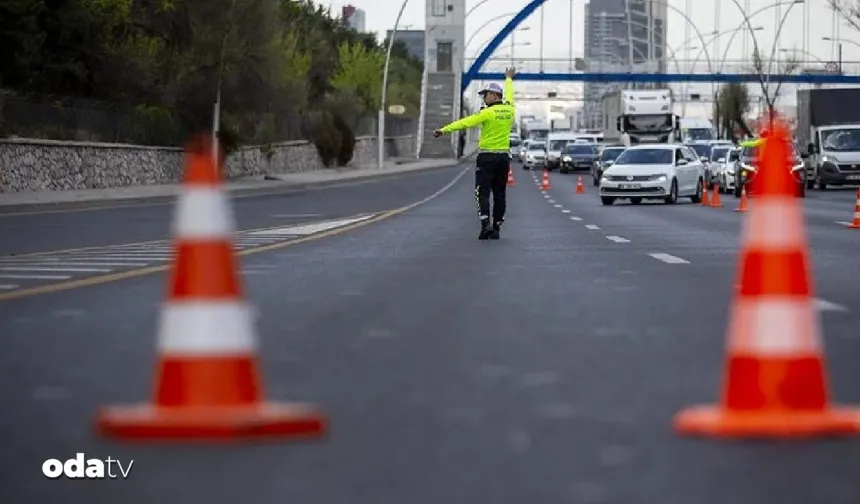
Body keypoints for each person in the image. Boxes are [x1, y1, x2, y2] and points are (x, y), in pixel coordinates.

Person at [434, 68, 516, 240]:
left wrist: (444, 130)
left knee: (482, 192)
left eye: (485, 95)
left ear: (493, 95)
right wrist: (508, 79)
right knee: (500, 193)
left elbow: (465, 122)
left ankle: (485, 224)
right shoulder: (510, 109)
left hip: (487, 158)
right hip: (503, 158)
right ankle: (497, 226)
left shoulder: (486, 113)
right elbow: (510, 94)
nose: (484, 98)